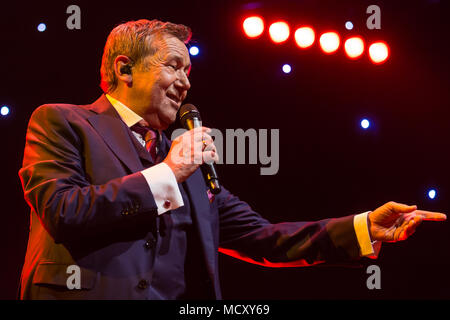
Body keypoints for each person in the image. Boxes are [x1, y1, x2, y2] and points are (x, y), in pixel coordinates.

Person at [18, 19, 446, 300]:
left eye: (189, 72)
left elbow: (263, 237)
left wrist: (362, 227)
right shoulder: (63, 122)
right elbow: (63, 210)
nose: (185, 83)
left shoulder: (183, 161)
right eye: (174, 67)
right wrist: (168, 173)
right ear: (125, 69)